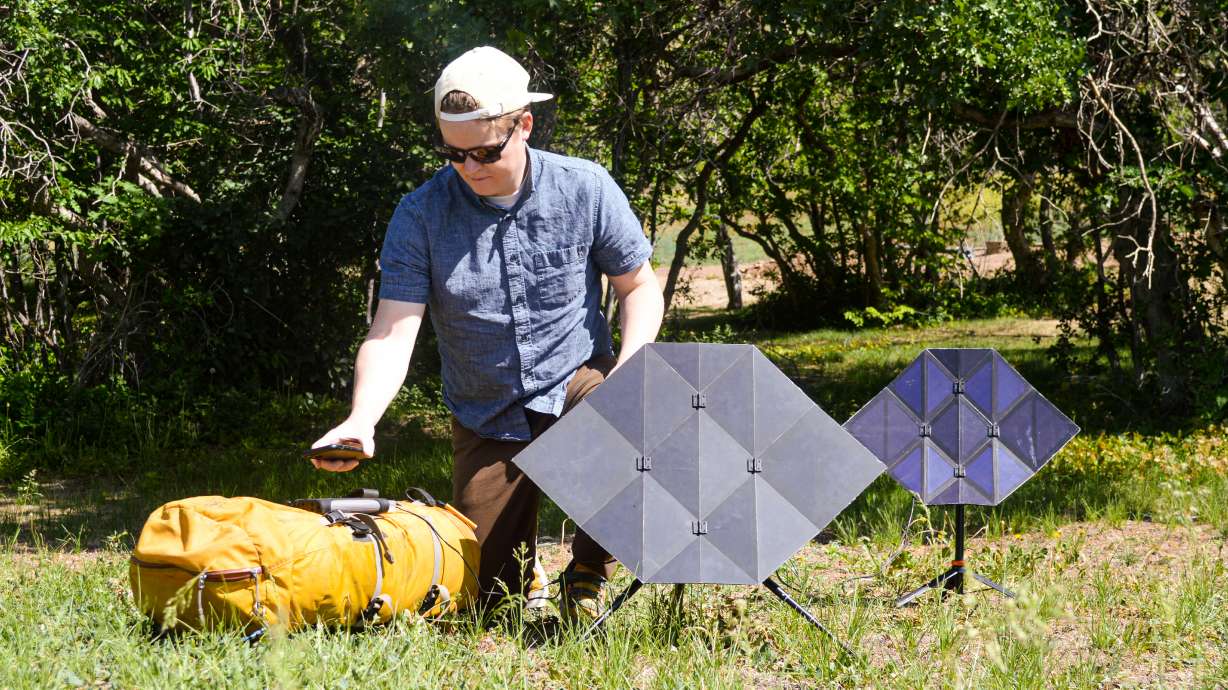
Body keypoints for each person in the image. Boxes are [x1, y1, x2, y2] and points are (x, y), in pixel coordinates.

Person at [310, 46, 664, 620]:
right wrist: (361, 419)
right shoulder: (420, 214)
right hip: (487, 408)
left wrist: (629, 371)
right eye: (455, 156)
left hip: (575, 379)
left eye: (485, 152)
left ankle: (589, 568)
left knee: (627, 413)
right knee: (484, 599)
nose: (470, 169)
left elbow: (640, 287)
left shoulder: (585, 188)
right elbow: (392, 332)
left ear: (523, 125)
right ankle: (523, 573)